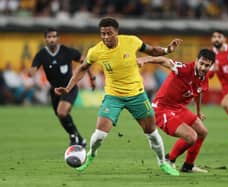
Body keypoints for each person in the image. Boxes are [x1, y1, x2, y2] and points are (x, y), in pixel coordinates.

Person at [54, 17, 182, 176]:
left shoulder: (131, 41)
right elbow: (82, 68)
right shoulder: (96, 51)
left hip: (137, 94)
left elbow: (152, 51)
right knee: (99, 134)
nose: (106, 37)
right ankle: (90, 156)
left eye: (109, 33)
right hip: (113, 96)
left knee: (151, 132)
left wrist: (167, 50)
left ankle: (163, 163)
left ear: (117, 32)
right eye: (103, 34)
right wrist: (68, 87)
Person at [137, 49, 215, 173]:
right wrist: (145, 59)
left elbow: (198, 93)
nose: (203, 67)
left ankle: (188, 166)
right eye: (201, 63)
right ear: (196, 61)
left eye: (207, 65)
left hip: (178, 108)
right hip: (162, 109)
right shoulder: (183, 69)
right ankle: (169, 159)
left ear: (211, 66)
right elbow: (164, 60)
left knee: (202, 132)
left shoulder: (204, 79)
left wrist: (198, 112)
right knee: (191, 137)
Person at [30, 27, 95, 147]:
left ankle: (74, 138)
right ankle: (78, 138)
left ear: (58, 38)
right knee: (61, 116)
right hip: (54, 90)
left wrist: (92, 78)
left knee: (62, 112)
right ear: (45, 39)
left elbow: (84, 62)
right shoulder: (41, 54)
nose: (52, 39)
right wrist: (32, 74)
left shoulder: (67, 51)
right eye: (49, 37)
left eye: (54, 36)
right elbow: (33, 69)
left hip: (69, 87)